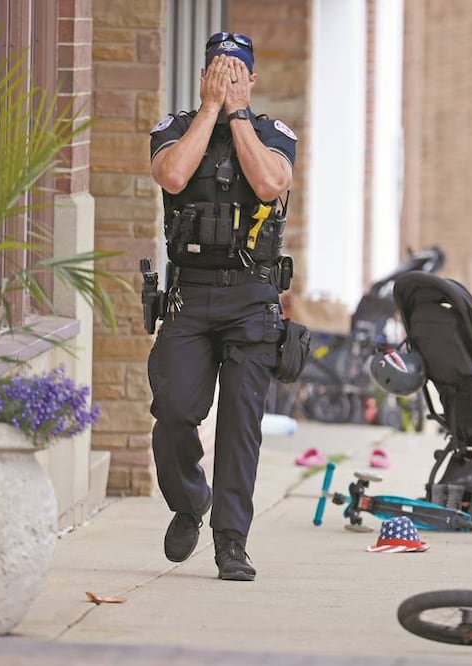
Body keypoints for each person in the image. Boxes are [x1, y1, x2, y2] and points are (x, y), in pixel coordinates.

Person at [146, 32, 298, 582]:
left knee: (241, 426)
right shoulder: (175, 129)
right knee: (173, 412)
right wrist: (211, 109)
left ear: (252, 79)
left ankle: (231, 542)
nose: (229, 76)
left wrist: (236, 114)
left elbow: (267, 182)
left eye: (238, 71)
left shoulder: (271, 135)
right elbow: (173, 176)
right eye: (219, 69)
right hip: (190, 296)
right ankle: (189, 503)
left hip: (251, 299)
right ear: (205, 74)